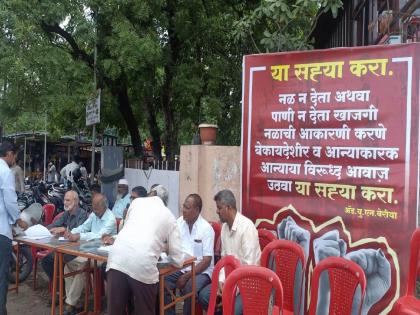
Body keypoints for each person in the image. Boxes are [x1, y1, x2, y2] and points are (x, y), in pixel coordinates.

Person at [106, 186, 184, 315]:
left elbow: (130, 231)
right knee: (145, 311)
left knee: (115, 311)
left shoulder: (136, 203)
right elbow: (177, 260)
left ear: (151, 194)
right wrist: (162, 249)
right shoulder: (169, 216)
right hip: (142, 264)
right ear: (165, 202)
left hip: (116, 259)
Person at [198, 189, 261, 315]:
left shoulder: (247, 227)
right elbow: (223, 261)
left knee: (233, 310)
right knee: (204, 296)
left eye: (219, 208)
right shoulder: (224, 228)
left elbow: (248, 267)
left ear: (228, 207)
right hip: (229, 282)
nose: (217, 211)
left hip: (248, 285)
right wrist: (221, 282)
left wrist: (230, 290)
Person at [62, 194, 117, 315]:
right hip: (89, 251)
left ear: (104, 207)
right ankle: (75, 303)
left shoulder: (110, 219)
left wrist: (79, 236)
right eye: (93, 208)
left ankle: (70, 304)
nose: (94, 211)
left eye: (97, 208)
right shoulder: (94, 215)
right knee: (68, 266)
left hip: (103, 255)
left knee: (82, 267)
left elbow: (98, 236)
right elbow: (84, 227)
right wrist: (71, 232)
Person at [164, 194, 214, 315]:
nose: (183, 210)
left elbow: (206, 261)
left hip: (202, 271)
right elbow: (169, 243)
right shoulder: (179, 222)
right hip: (181, 267)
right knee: (162, 281)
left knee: (188, 288)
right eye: (183, 207)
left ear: (196, 210)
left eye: (187, 207)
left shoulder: (206, 229)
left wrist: (187, 276)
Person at [0, 142, 28, 315]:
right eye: (15, 155)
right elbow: (10, 200)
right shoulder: (5, 171)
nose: (15, 159)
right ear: (9, 154)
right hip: (1, 232)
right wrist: (18, 219)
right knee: (1, 276)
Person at [40, 191, 88, 289]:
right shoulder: (66, 213)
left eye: (67, 200)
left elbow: (79, 232)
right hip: (64, 246)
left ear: (75, 201)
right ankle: (59, 288)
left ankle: (60, 289)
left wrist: (64, 230)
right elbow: (54, 225)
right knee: (46, 260)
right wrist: (42, 229)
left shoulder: (82, 214)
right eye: (64, 200)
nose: (64, 202)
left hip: (76, 248)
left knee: (53, 259)